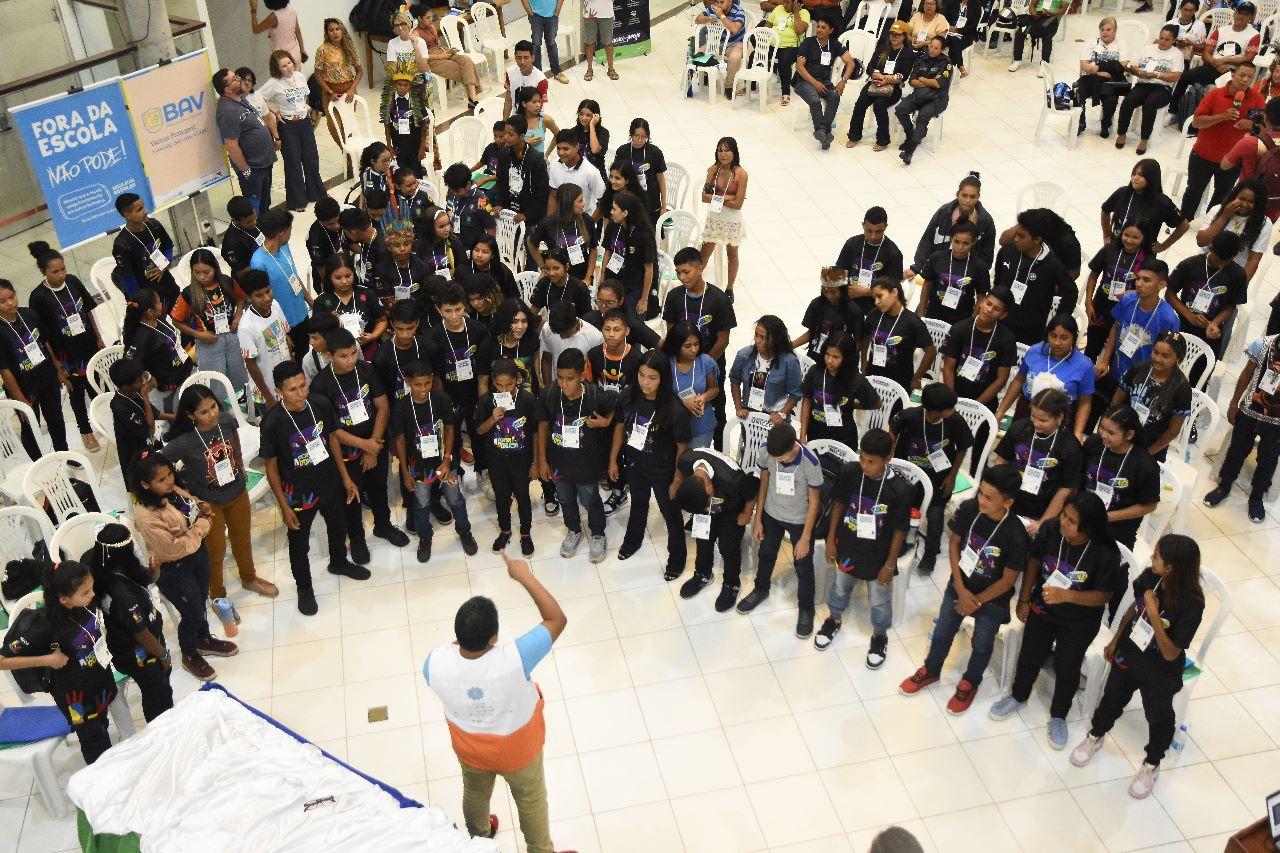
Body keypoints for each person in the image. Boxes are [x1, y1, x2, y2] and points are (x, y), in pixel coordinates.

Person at [422, 551, 568, 853]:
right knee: (530, 801)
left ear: (457, 636)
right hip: (518, 751)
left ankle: (479, 838)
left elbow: (452, 657)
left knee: (475, 793)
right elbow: (556, 618)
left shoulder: (433, 663)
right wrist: (524, 576)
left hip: (470, 748)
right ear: (493, 637)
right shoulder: (514, 659)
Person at [1071, 534, 1205, 800]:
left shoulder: (1193, 604)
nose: (1151, 558)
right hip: (1132, 651)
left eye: (1157, 556)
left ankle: (1152, 763)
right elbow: (1135, 608)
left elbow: (1169, 653)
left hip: (1160, 667)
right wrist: (1117, 640)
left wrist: (1155, 616)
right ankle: (1096, 734)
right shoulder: (1151, 577)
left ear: (1172, 568)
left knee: (1160, 717)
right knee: (1111, 698)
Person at [989, 492, 1123, 749]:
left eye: (1071, 521)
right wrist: (1024, 598)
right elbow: (1035, 562)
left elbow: (1103, 596)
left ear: (1088, 527)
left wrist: (1068, 595)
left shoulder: (1105, 552)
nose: (1064, 522)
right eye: (1064, 515)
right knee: (1030, 654)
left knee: (1067, 666)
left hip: (1080, 620)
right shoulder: (1050, 530)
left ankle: (1059, 715)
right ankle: (1018, 696)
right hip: (1044, 609)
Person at [899, 464, 1029, 712]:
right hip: (960, 586)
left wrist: (975, 601)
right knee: (942, 633)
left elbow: (1008, 580)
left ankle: (970, 682)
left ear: (1008, 502)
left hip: (991, 600)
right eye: (981, 492)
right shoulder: (970, 509)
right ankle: (932, 670)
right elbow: (955, 543)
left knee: (981, 643)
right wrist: (960, 587)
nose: (982, 499)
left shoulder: (1016, 534)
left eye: (989, 498)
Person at [260, 361, 370, 615]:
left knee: (338, 525)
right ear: (279, 391)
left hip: (329, 480)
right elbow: (271, 467)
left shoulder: (319, 404)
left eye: (302, 386)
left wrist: (345, 477)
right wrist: (284, 506)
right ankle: (305, 589)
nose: (300, 394)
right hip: (299, 493)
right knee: (299, 545)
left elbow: (331, 439)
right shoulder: (272, 422)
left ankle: (339, 562)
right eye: (292, 390)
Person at [130, 450, 238, 681]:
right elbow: (172, 548)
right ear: (145, 485)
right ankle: (189, 654)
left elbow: (194, 507)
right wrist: (203, 525)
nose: (170, 481)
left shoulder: (174, 491)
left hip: (196, 554)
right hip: (173, 568)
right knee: (191, 612)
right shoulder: (146, 515)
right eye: (161, 479)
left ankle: (204, 639)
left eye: (169, 474)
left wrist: (203, 509)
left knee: (201, 602)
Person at [163, 384, 276, 601]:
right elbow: (159, 465)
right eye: (204, 412)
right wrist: (183, 493)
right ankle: (217, 594)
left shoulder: (225, 420)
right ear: (190, 415)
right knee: (215, 551)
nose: (213, 413)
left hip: (237, 492)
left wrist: (240, 467)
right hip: (208, 504)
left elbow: (234, 440)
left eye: (214, 406)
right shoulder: (184, 441)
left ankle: (249, 578)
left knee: (242, 539)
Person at [0, 561, 118, 763]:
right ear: (64, 599)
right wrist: (48, 659)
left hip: (99, 682)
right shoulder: (43, 625)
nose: (92, 595)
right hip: (76, 696)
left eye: (91, 588)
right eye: (85, 592)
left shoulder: (84, 604)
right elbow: (3, 661)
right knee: (94, 742)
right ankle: (102, 781)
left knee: (101, 727)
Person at [313, 328, 411, 557]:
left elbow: (382, 407)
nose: (350, 361)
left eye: (353, 354)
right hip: (346, 452)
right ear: (329, 355)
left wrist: (373, 447)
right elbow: (332, 431)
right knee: (352, 496)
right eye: (343, 356)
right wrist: (365, 446)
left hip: (375, 442)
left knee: (379, 487)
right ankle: (356, 538)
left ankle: (383, 525)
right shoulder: (321, 384)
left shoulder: (366, 370)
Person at [817, 427, 911, 658]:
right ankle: (834, 619)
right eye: (862, 458)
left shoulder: (901, 488)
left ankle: (880, 635)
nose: (864, 465)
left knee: (879, 598)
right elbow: (838, 504)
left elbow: (900, 530)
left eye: (871, 461)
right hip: (848, 545)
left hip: (878, 554)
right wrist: (830, 540)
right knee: (840, 585)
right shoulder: (851, 471)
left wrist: (889, 565)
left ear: (887, 459)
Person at [610, 351, 692, 575]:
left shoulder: (674, 409)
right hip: (635, 464)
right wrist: (613, 460)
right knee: (638, 504)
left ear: (663, 378)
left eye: (652, 377)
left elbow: (682, 448)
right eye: (641, 375)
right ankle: (633, 540)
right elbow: (619, 426)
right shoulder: (628, 396)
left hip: (663, 470)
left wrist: (677, 479)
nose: (645, 382)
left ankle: (677, 558)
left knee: (670, 514)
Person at [84, 523, 174, 722]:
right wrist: (164, 653)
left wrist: (155, 569)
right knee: (158, 693)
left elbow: (145, 577)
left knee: (160, 684)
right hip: (138, 651)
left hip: (135, 639)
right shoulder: (123, 595)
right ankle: (161, 729)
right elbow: (142, 635)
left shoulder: (99, 562)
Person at [392, 358, 477, 562]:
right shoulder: (401, 408)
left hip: (445, 463)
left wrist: (447, 459)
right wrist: (404, 471)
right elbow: (400, 441)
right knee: (421, 504)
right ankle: (425, 537)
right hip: (418, 466)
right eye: (417, 384)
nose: (423, 389)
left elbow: (450, 427)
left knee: (455, 499)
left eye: (427, 383)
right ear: (408, 381)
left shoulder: (441, 400)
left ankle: (464, 531)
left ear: (432, 379)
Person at [740, 421, 823, 627]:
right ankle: (761, 589)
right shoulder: (766, 451)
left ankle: (806, 607)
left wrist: (805, 537)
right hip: (771, 513)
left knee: (803, 565)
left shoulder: (810, 463)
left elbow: (814, 502)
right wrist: (758, 518)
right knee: (766, 553)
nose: (776, 460)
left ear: (793, 446)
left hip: (799, 520)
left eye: (781, 457)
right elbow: (764, 482)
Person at [536, 348, 616, 563]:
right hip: (559, 462)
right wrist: (541, 460)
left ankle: (597, 533)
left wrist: (606, 421)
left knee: (590, 499)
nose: (564, 384)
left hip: (587, 464)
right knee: (565, 499)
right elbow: (542, 425)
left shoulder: (594, 395)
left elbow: (619, 405)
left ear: (582, 376)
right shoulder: (551, 394)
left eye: (570, 379)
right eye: (560, 377)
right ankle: (573, 530)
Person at [26, 241, 101, 451]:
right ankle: (86, 431)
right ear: (44, 272)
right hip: (66, 354)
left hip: (88, 345)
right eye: (55, 271)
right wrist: (56, 364)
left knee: (95, 384)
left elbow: (87, 312)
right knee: (76, 394)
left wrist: (98, 337)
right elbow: (43, 337)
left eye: (63, 269)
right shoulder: (38, 297)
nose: (61, 274)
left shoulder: (74, 282)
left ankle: (105, 416)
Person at [890, 382, 973, 570]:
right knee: (903, 511)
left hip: (939, 478)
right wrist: (890, 454)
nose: (953, 410)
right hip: (908, 477)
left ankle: (930, 553)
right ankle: (902, 541)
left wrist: (952, 476)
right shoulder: (910, 416)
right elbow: (893, 428)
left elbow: (962, 448)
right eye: (949, 408)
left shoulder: (955, 421)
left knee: (935, 516)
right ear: (934, 411)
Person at [663, 247, 736, 447]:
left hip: (710, 362)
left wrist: (701, 362)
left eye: (686, 272)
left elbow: (723, 339)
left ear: (700, 268)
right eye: (678, 273)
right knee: (678, 406)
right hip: (680, 364)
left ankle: (720, 451)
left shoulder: (719, 299)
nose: (682, 277)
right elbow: (671, 334)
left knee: (716, 409)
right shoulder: (675, 297)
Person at [1204, 331, 1280, 520]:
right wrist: (1233, 403)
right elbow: (1246, 374)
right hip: (1249, 411)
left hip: (1278, 422)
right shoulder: (1262, 345)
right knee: (1236, 450)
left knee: (1268, 460)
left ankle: (1256, 498)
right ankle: (1224, 486)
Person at [672, 444, 758, 608]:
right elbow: (680, 472)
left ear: (709, 487)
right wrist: (676, 483)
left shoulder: (732, 479)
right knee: (702, 538)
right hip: (707, 502)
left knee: (728, 547)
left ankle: (732, 584)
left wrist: (746, 514)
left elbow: (753, 487)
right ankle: (703, 574)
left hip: (731, 507)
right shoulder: (686, 461)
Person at [993, 387, 1084, 533]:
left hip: (1041, 509)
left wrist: (1042, 523)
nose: (1036, 423)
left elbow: (1064, 490)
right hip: (1010, 498)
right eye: (1033, 416)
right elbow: (1000, 462)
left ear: (1059, 418)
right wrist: (996, 497)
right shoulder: (1020, 428)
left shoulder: (1070, 447)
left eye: (1043, 420)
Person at [1180, 64, 1266, 220]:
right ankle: (1183, 222)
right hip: (1203, 154)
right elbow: (1197, 122)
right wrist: (1222, 116)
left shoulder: (1256, 99)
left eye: (1250, 77)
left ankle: (1210, 224)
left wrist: (1252, 125)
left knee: (1222, 196)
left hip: (1232, 159)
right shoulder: (1215, 95)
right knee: (1193, 191)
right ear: (1233, 75)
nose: (1245, 80)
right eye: (1242, 75)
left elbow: (1262, 130)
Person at [476, 360, 539, 556]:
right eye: (500, 385)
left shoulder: (527, 400)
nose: (505, 389)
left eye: (510, 384)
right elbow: (479, 430)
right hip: (497, 460)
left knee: (523, 496)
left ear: (517, 381)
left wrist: (536, 462)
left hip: (521, 459)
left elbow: (536, 432)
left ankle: (526, 533)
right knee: (502, 497)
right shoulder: (486, 401)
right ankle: (505, 529)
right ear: (493, 381)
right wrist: (492, 418)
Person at [991, 209, 1079, 345]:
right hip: (999, 322)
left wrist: (1057, 322)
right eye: (1016, 234)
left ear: (1037, 239)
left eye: (1021, 236)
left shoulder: (1052, 264)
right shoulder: (1007, 251)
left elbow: (1071, 293)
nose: (1015, 238)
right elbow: (998, 283)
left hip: (1029, 332)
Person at [997, 314, 1094, 435]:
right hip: (1027, 411)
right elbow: (1018, 381)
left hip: (1058, 418)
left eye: (1064, 338)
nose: (1057, 342)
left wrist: (1078, 433)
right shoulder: (1035, 351)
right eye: (1053, 336)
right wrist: (1001, 411)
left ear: (1073, 338)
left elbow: (1085, 402)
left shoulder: (1084, 365)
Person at [171, 249, 250, 395]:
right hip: (208, 341)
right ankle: (222, 413)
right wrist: (198, 335)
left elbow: (241, 298)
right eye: (196, 272)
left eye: (206, 272)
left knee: (239, 376)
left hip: (232, 336)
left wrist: (238, 317)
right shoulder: (189, 293)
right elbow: (176, 321)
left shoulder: (226, 282)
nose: (201, 277)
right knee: (217, 383)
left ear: (215, 268)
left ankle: (242, 406)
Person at [1085, 404, 1162, 547]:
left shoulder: (1145, 465)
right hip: (1084, 518)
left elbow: (1149, 505)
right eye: (1102, 428)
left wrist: (1108, 517)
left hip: (1116, 530)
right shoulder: (1094, 443)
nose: (1103, 435)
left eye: (1111, 433)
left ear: (1129, 435)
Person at [1168, 1, 1260, 122]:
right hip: (1212, 66)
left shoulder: (1254, 35)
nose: (1241, 16)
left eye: (1245, 14)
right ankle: (1173, 111)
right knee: (1185, 76)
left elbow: (1248, 58)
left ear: (1250, 17)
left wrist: (1225, 61)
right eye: (1239, 12)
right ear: (1234, 13)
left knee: (1224, 88)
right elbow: (1206, 53)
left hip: (1233, 70)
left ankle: (1222, 118)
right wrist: (1216, 63)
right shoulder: (1221, 30)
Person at [257, 50, 324, 213]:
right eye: (283, 66)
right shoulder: (274, 82)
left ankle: (315, 193)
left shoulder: (299, 76)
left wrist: (306, 107)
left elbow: (302, 96)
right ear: (277, 69)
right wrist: (273, 110)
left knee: (311, 158)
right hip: (288, 126)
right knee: (293, 162)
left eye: (289, 63)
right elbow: (258, 97)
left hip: (305, 122)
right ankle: (297, 200)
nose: (288, 68)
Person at [1167, 230, 1247, 362]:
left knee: (1201, 369)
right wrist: (1189, 316)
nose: (1221, 264)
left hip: (1210, 332)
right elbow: (1170, 294)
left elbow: (1231, 306)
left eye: (1225, 262)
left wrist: (1214, 323)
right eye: (1217, 260)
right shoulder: (1190, 265)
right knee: (1174, 362)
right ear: (1210, 248)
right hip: (1182, 324)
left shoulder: (1238, 274)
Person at [1114, 330, 1192, 462]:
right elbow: (1116, 403)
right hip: (1123, 436)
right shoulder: (1137, 370)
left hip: (1152, 447)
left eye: (1165, 356)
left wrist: (1147, 454)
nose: (1157, 359)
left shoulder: (1182, 388)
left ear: (1178, 358)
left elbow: (1173, 431)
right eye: (1155, 352)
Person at [213, 67, 278, 216]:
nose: (239, 79)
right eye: (234, 79)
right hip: (252, 168)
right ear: (227, 89)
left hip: (264, 163)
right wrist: (246, 171)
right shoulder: (227, 111)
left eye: (236, 76)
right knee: (254, 208)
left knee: (265, 203)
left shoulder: (240, 99)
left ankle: (266, 228)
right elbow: (231, 145)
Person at [941, 287, 1018, 409]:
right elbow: (948, 368)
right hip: (954, 396)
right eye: (988, 304)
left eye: (996, 309)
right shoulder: (959, 329)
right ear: (982, 302)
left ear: (1003, 315)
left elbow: (1001, 379)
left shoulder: (1007, 339)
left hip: (985, 403)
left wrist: (976, 406)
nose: (989, 310)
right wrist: (952, 401)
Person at [121, 287, 193, 416]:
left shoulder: (159, 320)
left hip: (183, 373)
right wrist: (150, 379)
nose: (161, 304)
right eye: (159, 302)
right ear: (149, 311)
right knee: (180, 421)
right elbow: (129, 368)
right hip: (169, 388)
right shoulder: (141, 338)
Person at [250, 208, 312, 358]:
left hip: (301, 314)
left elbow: (294, 276)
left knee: (305, 356)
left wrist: (310, 301)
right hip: (284, 324)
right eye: (290, 229)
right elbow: (262, 303)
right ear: (282, 232)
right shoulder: (258, 263)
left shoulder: (284, 247)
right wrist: (280, 332)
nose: (291, 233)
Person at [907, 175, 997, 277]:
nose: (968, 200)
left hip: (967, 277)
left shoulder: (986, 221)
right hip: (939, 271)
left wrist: (975, 275)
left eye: (972, 197)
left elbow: (987, 256)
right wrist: (917, 267)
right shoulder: (943, 213)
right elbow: (927, 240)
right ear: (957, 194)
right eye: (964, 195)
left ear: (978, 197)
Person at [1116, 24, 1185, 153]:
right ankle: (1121, 133)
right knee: (1128, 102)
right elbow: (1133, 65)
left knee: (1150, 105)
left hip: (1163, 88)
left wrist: (1156, 74)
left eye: (1166, 39)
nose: (1162, 42)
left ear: (1174, 40)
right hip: (1143, 84)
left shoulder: (1177, 54)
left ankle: (1144, 139)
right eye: (1161, 38)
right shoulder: (1148, 49)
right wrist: (1138, 71)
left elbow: (1176, 76)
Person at [848, 21, 915, 151]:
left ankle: (883, 139)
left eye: (898, 35)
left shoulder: (908, 53)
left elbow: (904, 75)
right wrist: (878, 76)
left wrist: (889, 79)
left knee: (879, 106)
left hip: (893, 87)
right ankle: (854, 135)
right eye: (892, 34)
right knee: (860, 103)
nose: (894, 37)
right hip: (875, 83)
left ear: (904, 36)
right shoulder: (882, 48)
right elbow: (870, 68)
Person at [1084, 224, 1148, 360]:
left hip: (1126, 311)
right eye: (1126, 235)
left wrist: (1132, 292)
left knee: (1115, 354)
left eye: (1135, 237)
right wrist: (1088, 302)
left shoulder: (1147, 259)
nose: (1129, 240)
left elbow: (1148, 288)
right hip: (1101, 307)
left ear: (1143, 238)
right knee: (1091, 350)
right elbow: (1093, 275)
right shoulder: (1108, 250)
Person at [793, 13, 855, 150]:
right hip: (804, 81)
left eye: (823, 27)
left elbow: (851, 63)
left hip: (824, 82)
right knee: (815, 101)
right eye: (818, 27)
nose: (819, 29)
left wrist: (843, 81)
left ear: (831, 30)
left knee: (834, 96)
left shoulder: (834, 44)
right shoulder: (808, 42)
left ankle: (822, 131)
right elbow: (799, 66)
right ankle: (825, 133)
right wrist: (814, 82)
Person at [1099, 159, 1187, 255]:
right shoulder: (1122, 193)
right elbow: (1105, 210)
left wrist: (1163, 246)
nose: (1135, 178)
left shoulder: (1162, 202)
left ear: (1151, 178)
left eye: (1140, 175)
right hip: (1117, 249)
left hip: (1143, 257)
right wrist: (1106, 235)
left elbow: (1184, 225)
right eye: (1134, 174)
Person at [862, 278, 935, 392]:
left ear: (894, 292)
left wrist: (917, 377)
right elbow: (865, 338)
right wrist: (863, 363)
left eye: (880, 296)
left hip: (899, 381)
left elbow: (931, 352)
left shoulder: (912, 322)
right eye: (874, 298)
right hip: (873, 375)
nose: (876, 302)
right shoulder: (874, 314)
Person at [699, 137, 748, 300]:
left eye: (727, 150)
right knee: (704, 253)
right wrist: (728, 198)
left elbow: (738, 204)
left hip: (732, 219)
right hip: (714, 216)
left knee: (732, 253)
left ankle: (730, 287)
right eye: (720, 150)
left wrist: (720, 198)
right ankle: (695, 282)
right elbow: (704, 197)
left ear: (734, 152)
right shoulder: (713, 170)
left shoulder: (741, 174)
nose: (723, 154)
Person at [1198, 179, 1274, 282]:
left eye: (1251, 202)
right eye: (1241, 199)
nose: (1244, 204)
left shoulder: (1264, 223)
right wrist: (1224, 216)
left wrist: (1240, 287)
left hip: (1232, 276)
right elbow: (1201, 242)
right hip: (1204, 267)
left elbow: (1253, 260)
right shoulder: (1217, 210)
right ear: (1234, 196)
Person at [236, 270, 292, 408]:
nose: (267, 298)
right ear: (248, 298)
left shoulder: (275, 305)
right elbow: (251, 364)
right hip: (268, 390)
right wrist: (268, 397)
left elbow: (285, 336)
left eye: (268, 291)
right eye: (259, 295)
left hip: (286, 381)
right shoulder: (246, 327)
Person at [731, 315, 803, 422]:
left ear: (776, 339)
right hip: (750, 412)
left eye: (763, 337)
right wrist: (739, 408)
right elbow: (734, 380)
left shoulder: (790, 361)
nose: (757, 341)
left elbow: (795, 394)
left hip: (776, 414)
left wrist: (782, 414)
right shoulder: (744, 355)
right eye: (756, 335)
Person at [663, 320, 721, 451]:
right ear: (677, 345)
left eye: (696, 344)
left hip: (701, 425)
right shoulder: (665, 363)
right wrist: (682, 403)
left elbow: (714, 389)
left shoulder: (706, 361)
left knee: (696, 464)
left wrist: (705, 397)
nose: (693, 350)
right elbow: (661, 394)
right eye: (687, 346)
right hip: (673, 425)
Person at [836, 207, 905, 315]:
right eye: (869, 230)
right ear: (863, 225)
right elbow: (839, 272)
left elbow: (894, 290)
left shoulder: (893, 254)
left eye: (878, 231)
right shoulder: (852, 244)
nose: (873, 236)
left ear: (885, 227)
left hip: (877, 307)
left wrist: (867, 292)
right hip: (849, 301)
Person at [111, 193, 178, 305]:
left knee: (185, 316)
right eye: (139, 209)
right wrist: (141, 302)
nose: (145, 211)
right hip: (148, 294)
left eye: (144, 207)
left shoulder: (154, 225)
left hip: (167, 282)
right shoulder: (122, 245)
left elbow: (168, 246)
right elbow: (128, 278)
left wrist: (165, 264)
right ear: (127, 215)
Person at [917, 221, 990, 324]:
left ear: (973, 242)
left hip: (961, 320)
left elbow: (981, 298)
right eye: (956, 242)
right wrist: (921, 313)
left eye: (965, 243)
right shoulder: (936, 258)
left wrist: (971, 322)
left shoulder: (979, 266)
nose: (960, 248)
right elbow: (926, 286)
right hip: (933, 315)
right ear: (951, 239)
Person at [601, 191, 659, 319]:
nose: (611, 212)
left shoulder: (644, 235)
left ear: (625, 213)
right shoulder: (612, 226)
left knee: (629, 322)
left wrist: (644, 299)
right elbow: (607, 253)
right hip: (613, 281)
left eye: (614, 209)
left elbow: (649, 270)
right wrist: (602, 280)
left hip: (634, 287)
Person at [895, 35, 951, 164]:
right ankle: (911, 135)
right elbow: (912, 81)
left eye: (936, 48)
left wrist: (923, 79)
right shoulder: (922, 58)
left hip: (937, 99)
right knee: (900, 110)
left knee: (923, 117)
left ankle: (909, 152)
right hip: (919, 94)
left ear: (942, 50)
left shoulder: (946, 63)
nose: (932, 50)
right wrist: (929, 82)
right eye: (931, 46)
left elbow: (938, 84)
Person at [413, 4, 484, 106]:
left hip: (443, 51)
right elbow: (421, 57)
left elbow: (438, 44)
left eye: (431, 17)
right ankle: (473, 99)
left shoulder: (432, 26)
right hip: (432, 60)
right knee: (460, 69)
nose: (430, 20)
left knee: (467, 61)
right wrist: (439, 56)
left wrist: (448, 51)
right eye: (427, 18)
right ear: (419, 18)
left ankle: (472, 99)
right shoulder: (416, 33)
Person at [1075, 17, 1130, 139]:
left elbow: (1123, 65)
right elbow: (1084, 65)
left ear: (1115, 31)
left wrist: (1098, 66)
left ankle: (1106, 123)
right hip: (1091, 77)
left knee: (1110, 99)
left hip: (1112, 78)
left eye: (1108, 29)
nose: (1105, 32)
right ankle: (1080, 121)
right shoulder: (1091, 43)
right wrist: (1100, 72)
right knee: (1077, 92)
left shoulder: (1121, 44)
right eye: (1102, 29)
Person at [794, 267, 863, 361]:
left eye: (833, 292)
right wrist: (790, 345)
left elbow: (857, 344)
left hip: (837, 360)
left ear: (842, 290)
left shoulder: (854, 311)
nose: (829, 296)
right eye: (825, 291)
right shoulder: (816, 304)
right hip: (815, 355)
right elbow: (811, 333)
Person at [495, 116, 551, 231]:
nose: (506, 137)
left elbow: (542, 193)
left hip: (530, 217)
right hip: (508, 212)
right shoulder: (503, 155)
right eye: (505, 133)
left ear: (521, 136)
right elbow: (500, 182)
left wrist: (527, 215)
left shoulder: (537, 160)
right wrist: (498, 203)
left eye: (510, 135)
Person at [531, 185, 597, 282]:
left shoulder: (587, 220)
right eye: (580, 201)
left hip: (581, 279)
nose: (584, 204)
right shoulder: (548, 224)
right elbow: (531, 243)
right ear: (568, 204)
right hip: (557, 279)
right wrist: (542, 267)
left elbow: (593, 250)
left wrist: (588, 277)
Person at [314, 18, 363, 146]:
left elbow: (359, 71)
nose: (335, 33)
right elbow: (317, 74)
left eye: (337, 29)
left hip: (349, 91)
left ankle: (350, 157)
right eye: (331, 30)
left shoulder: (349, 47)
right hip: (330, 93)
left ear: (342, 30)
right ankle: (345, 151)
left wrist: (352, 89)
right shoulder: (322, 50)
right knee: (336, 127)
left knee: (348, 126)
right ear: (327, 33)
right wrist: (330, 92)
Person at [110, 358, 160, 474]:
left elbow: (156, 414)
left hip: (148, 443)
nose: (143, 381)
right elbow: (150, 429)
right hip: (136, 454)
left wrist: (178, 417)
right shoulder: (119, 406)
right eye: (139, 380)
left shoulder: (134, 393)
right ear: (126, 386)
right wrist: (146, 398)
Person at [615, 119, 668, 226]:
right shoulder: (622, 152)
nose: (640, 140)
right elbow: (616, 177)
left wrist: (663, 206)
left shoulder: (655, 153)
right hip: (629, 201)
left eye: (644, 137)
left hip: (651, 202)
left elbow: (661, 180)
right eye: (636, 136)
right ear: (631, 134)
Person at [539, 301, 604, 389]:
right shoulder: (547, 329)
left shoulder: (595, 338)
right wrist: (548, 388)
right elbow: (547, 358)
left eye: (566, 333)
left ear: (576, 323)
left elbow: (597, 372)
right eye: (558, 333)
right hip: (556, 388)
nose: (562, 337)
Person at [381, 65, 430, 178]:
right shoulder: (390, 101)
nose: (402, 88)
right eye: (399, 84)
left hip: (414, 144)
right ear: (394, 85)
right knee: (402, 171)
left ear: (410, 86)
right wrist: (389, 145)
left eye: (406, 85)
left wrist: (422, 146)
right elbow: (387, 124)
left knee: (415, 171)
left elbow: (424, 125)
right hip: (398, 143)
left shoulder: (416, 100)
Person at [547, 130, 606, 221]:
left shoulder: (591, 172)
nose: (561, 153)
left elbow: (604, 202)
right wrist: (549, 221)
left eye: (566, 149)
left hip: (582, 222)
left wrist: (588, 225)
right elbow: (553, 196)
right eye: (558, 148)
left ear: (577, 148)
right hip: (560, 222)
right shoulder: (554, 165)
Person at [696, 0, 748, 98]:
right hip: (718, 42)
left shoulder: (739, 12)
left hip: (734, 42)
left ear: (730, 2)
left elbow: (735, 29)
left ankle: (729, 86)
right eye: (718, 1)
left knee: (735, 57)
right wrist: (709, 18)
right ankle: (706, 76)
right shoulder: (714, 7)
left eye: (722, 2)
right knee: (703, 50)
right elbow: (697, 19)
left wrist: (721, 16)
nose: (719, 4)